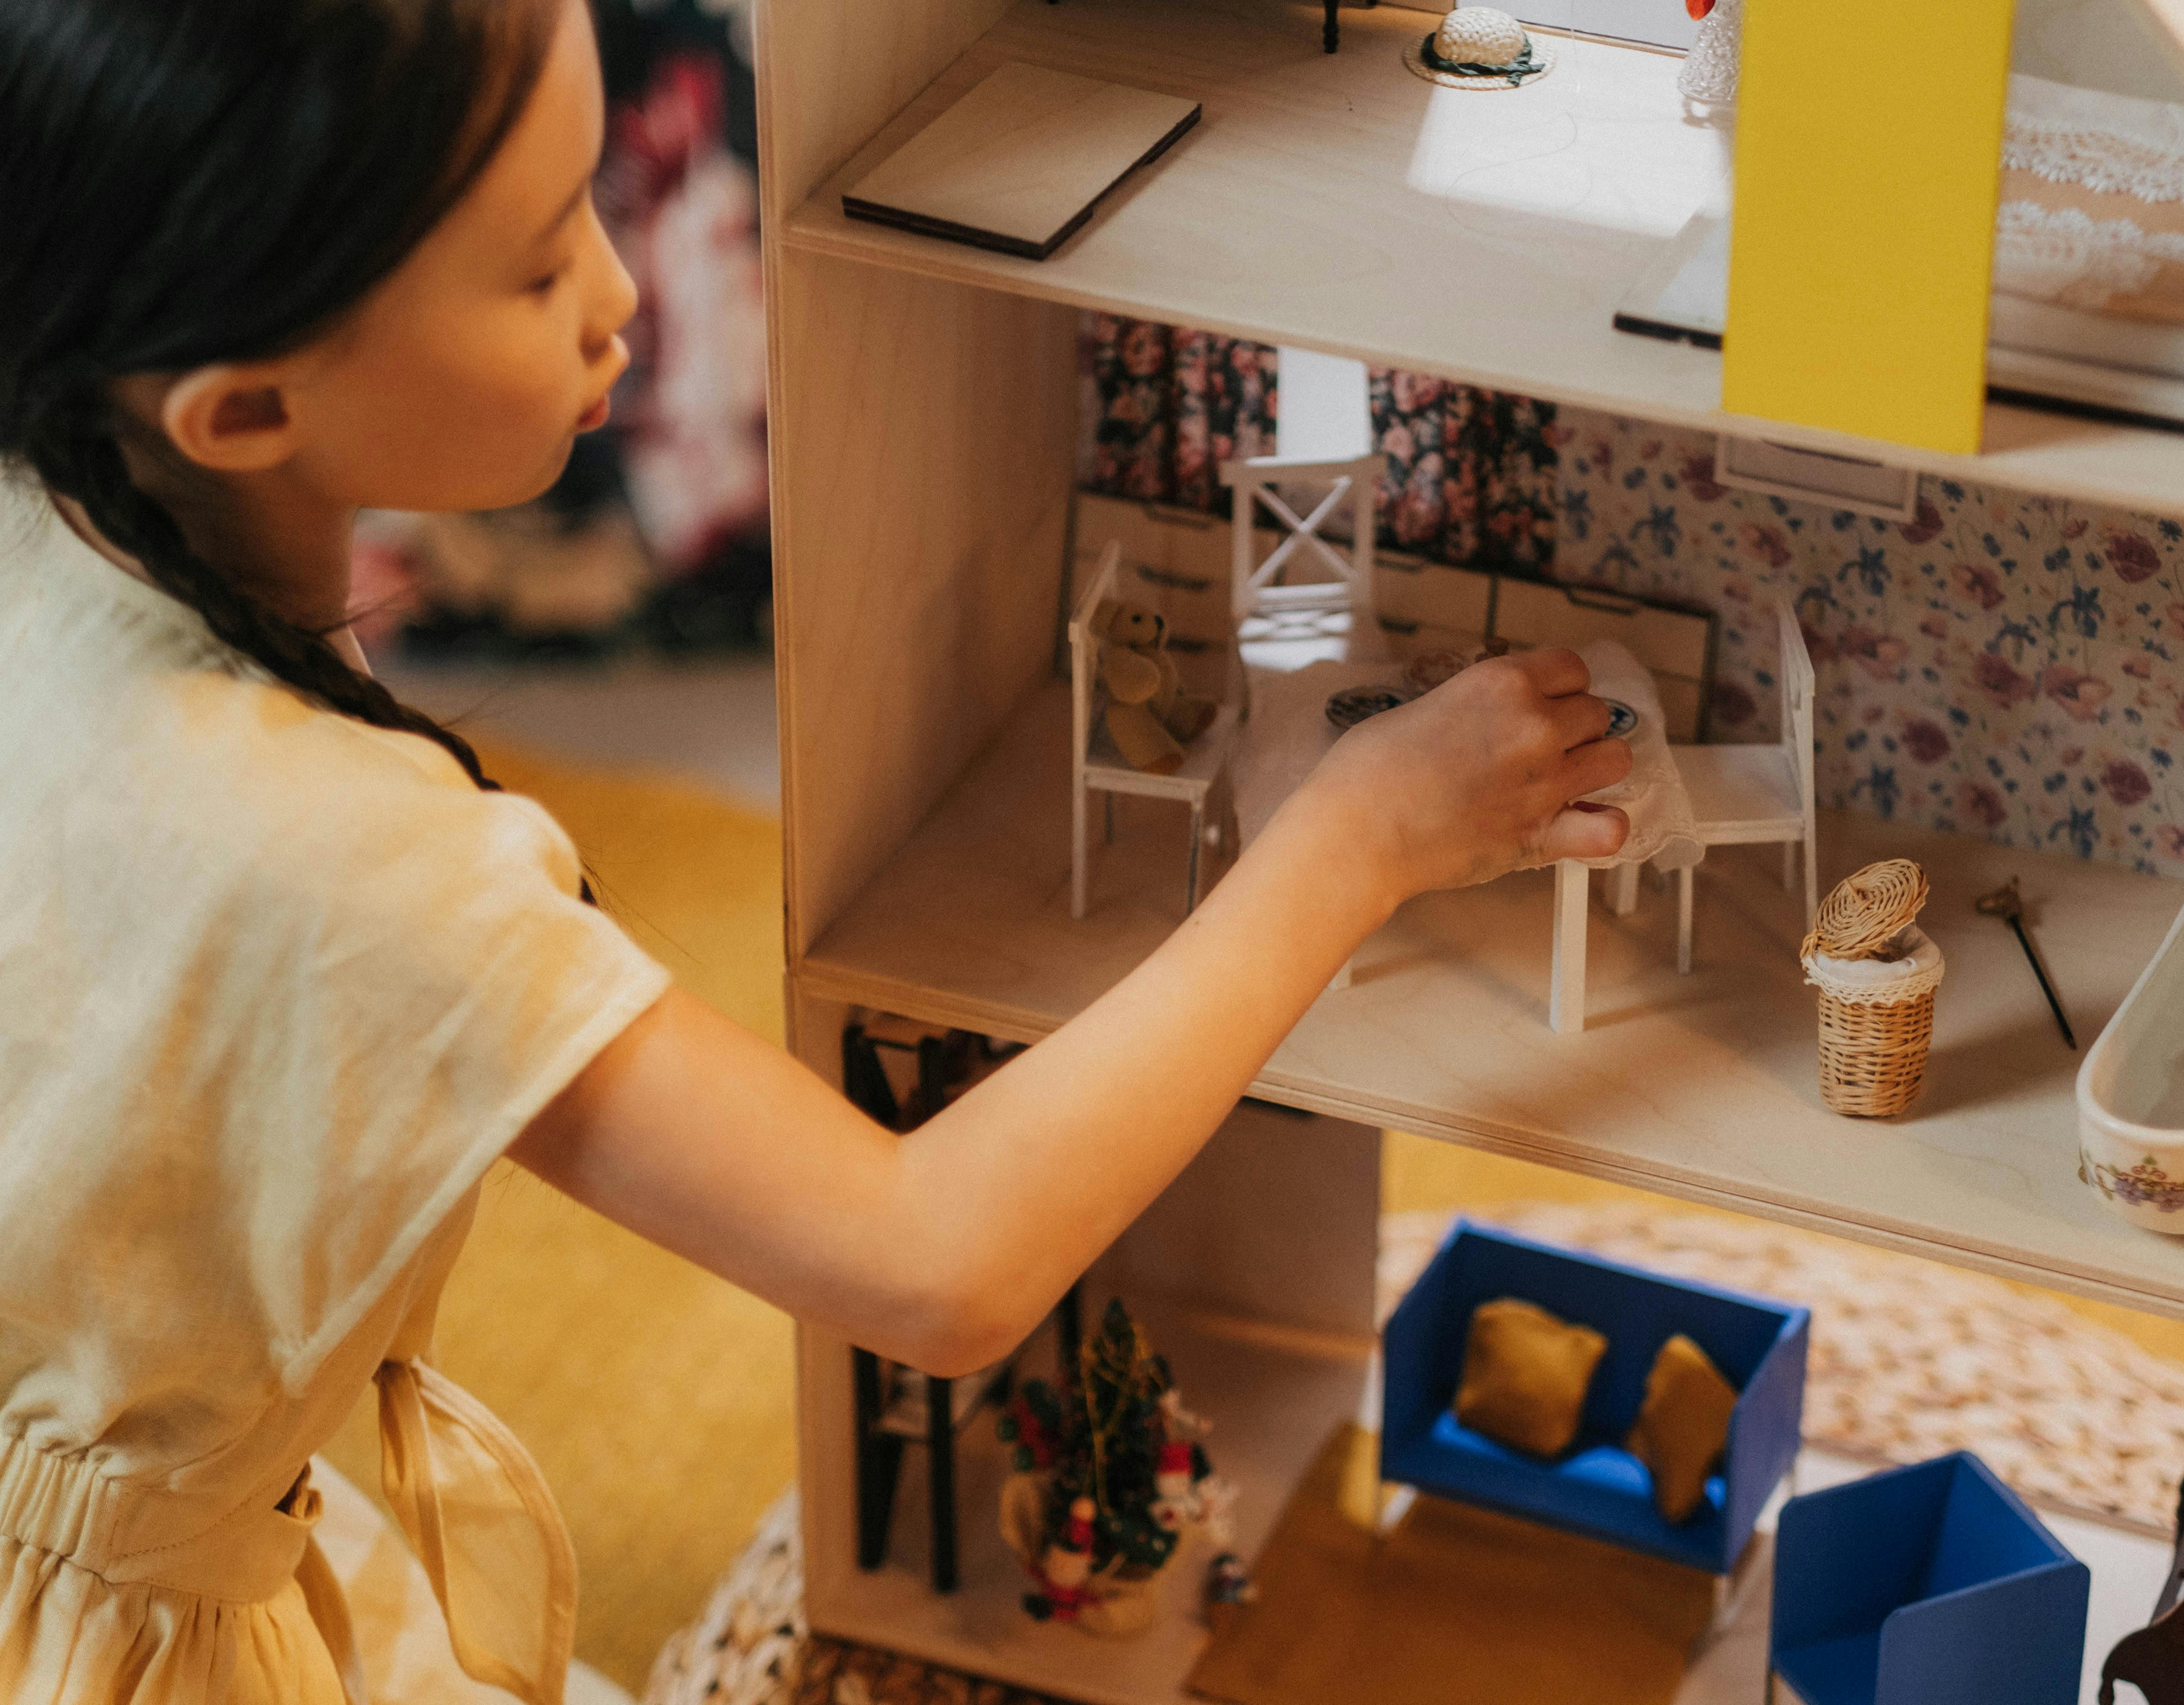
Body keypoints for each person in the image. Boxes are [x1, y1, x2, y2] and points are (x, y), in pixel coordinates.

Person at [0, 2, 1633, 1700]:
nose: (625, 297)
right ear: (245, 408)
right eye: (540, 267)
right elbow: (935, 1262)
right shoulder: (350, 860)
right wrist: (1353, 839)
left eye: (597, 206)